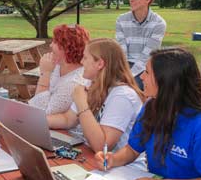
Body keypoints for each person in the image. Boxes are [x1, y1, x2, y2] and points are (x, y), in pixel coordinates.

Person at [95, 48, 201, 180]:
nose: (142, 77)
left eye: (147, 72)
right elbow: (132, 149)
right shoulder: (151, 107)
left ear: (166, 81)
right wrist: (113, 159)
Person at [47, 38, 146, 168]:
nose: (82, 62)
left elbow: (102, 146)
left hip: (119, 169)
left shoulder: (122, 96)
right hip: (93, 158)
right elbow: (67, 119)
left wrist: (82, 102)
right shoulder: (92, 84)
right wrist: (33, 120)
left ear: (100, 64)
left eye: (85, 58)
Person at [28, 24, 90, 114]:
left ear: (67, 47)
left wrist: (45, 75)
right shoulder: (59, 66)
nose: (50, 45)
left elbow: (41, 114)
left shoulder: (74, 82)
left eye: (55, 41)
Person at [116, 0, 166, 90]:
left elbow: (147, 55)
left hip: (146, 66)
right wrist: (124, 71)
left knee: (130, 89)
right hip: (124, 64)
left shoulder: (159, 23)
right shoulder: (121, 20)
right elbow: (121, 49)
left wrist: (130, 75)